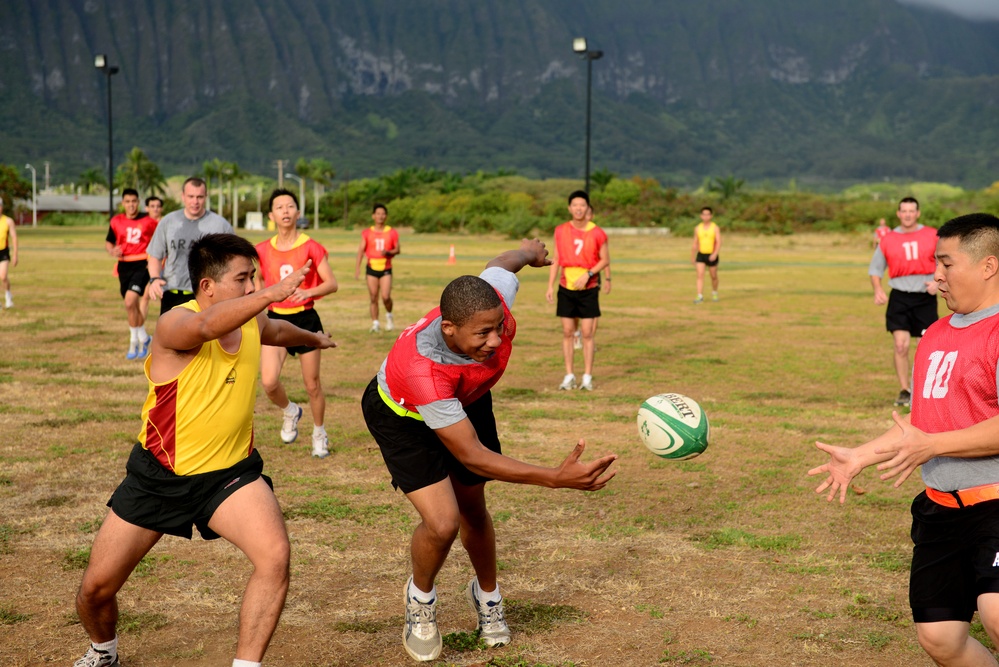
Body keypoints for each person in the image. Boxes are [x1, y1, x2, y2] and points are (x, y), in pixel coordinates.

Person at [72, 233, 336, 667]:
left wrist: (313, 338)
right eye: (242, 279)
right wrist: (272, 293)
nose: (252, 288)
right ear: (208, 286)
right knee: (95, 591)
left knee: (275, 557)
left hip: (230, 476)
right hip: (161, 475)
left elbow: (273, 330)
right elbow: (207, 327)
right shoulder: (176, 322)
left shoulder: (251, 320)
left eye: (254, 278)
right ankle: (104, 651)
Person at [360, 238, 617, 662]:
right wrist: (554, 478)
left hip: (465, 400)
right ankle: (420, 600)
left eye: (499, 326)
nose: (496, 339)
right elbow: (473, 455)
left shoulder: (489, 297)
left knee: (473, 509)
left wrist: (530, 253)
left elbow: (503, 262)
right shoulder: (425, 368)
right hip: (402, 414)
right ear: (450, 329)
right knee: (443, 522)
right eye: (483, 333)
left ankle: (488, 595)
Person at [809, 212, 999, 667]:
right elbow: (921, 426)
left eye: (947, 264)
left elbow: (933, 441)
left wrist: (933, 446)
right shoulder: (933, 335)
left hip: (995, 504)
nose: (936, 276)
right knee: (940, 640)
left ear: (988, 266)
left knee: (996, 614)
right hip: (940, 508)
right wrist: (860, 456)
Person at [255, 189, 338, 458]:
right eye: (279, 207)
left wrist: (309, 292)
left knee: (312, 384)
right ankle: (290, 411)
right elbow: (257, 286)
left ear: (298, 213)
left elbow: (331, 283)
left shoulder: (311, 246)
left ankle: (319, 433)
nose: (286, 211)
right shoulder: (262, 250)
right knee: (268, 382)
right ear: (271, 215)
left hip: (305, 319)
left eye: (290, 206)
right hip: (275, 318)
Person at [869, 197, 939, 407]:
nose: (908, 214)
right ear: (898, 214)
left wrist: (938, 281)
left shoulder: (933, 235)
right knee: (901, 345)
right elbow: (875, 269)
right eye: (904, 211)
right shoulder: (888, 239)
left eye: (912, 211)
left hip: (925, 297)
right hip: (899, 296)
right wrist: (878, 289)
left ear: (918, 213)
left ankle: (923, 391)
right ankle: (904, 390)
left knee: (925, 347)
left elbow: (947, 262)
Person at [546, 191, 610, 391]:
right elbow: (556, 259)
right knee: (567, 332)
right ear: (569, 208)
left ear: (587, 208)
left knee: (588, 333)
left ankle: (588, 377)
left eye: (582, 205)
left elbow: (605, 260)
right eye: (575, 205)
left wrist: (589, 274)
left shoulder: (598, 232)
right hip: (566, 287)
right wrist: (550, 284)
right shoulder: (560, 230)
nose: (578, 208)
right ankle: (569, 375)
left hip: (589, 288)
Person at [147, 177, 233, 314]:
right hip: (173, 293)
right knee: (171, 335)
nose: (195, 202)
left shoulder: (220, 225)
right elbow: (155, 256)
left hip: (206, 294)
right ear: (183, 196)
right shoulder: (168, 222)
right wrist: (155, 278)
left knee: (205, 336)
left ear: (206, 197)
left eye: (199, 197)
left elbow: (232, 261)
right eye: (191, 196)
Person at [105, 188, 159, 359]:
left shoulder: (149, 221)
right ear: (123, 203)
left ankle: (133, 342)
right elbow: (109, 242)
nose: (131, 205)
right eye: (127, 201)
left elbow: (160, 239)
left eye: (134, 201)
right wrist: (112, 251)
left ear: (138, 202)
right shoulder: (116, 221)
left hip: (142, 264)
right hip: (124, 265)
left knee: (130, 302)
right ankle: (143, 337)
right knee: (132, 307)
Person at [354, 203, 400, 332]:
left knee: (385, 296)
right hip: (371, 268)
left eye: (383, 214)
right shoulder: (367, 232)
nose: (380, 216)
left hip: (386, 268)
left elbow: (397, 249)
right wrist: (357, 268)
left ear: (386, 216)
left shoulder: (392, 232)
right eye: (378, 214)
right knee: (373, 296)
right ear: (373, 216)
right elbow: (361, 251)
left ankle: (389, 315)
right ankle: (375, 323)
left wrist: (389, 252)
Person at [692, 206, 721, 303]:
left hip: (712, 255)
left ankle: (715, 292)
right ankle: (699, 296)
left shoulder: (715, 227)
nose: (706, 216)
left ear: (711, 216)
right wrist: (692, 256)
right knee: (700, 275)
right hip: (701, 255)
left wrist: (715, 254)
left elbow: (719, 242)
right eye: (704, 214)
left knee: (713, 276)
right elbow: (695, 243)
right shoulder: (697, 228)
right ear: (701, 216)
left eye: (708, 214)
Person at [0, 198, 17, 310]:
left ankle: (8, 296)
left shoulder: (8, 221)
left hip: (3, 252)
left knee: (3, 276)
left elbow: (14, 237)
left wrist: (15, 254)